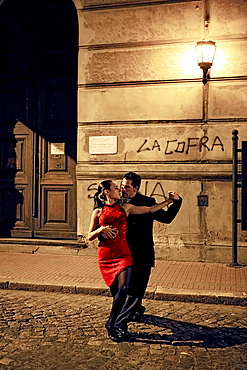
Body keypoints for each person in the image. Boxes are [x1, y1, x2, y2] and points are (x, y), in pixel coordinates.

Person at [88, 179, 179, 342]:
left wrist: (170, 201)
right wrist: (101, 229)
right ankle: (123, 319)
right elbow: (89, 236)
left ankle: (113, 324)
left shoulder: (126, 207)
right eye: (117, 187)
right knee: (117, 293)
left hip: (126, 253)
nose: (120, 190)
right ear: (107, 192)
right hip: (107, 254)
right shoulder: (98, 211)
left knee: (125, 288)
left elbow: (152, 209)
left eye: (123, 187)